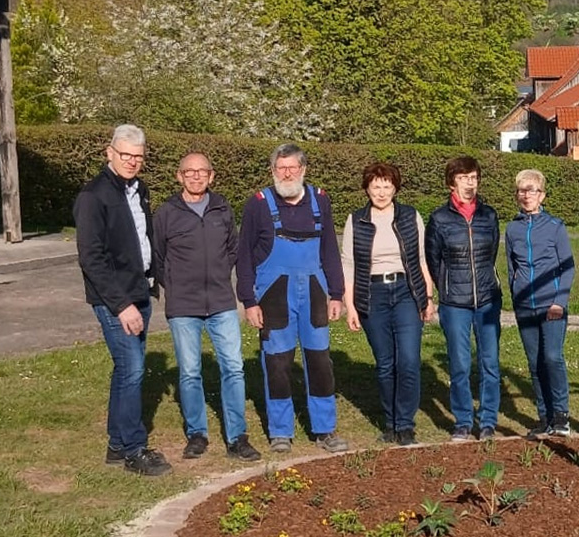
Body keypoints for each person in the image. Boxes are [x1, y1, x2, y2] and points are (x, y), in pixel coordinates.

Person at [237, 143, 349, 454]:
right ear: (273, 171)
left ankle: (324, 429)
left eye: (292, 168)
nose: (287, 173)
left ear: (303, 169)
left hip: (314, 291)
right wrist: (249, 300)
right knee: (277, 362)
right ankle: (281, 431)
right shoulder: (258, 204)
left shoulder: (320, 201)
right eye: (280, 168)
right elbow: (243, 256)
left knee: (320, 361)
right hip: (273, 293)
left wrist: (336, 294)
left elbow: (329, 249)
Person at [150, 152, 260, 462]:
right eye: (189, 172)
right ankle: (197, 434)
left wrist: (219, 276)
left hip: (222, 302)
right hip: (184, 306)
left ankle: (237, 437)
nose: (196, 177)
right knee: (189, 372)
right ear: (179, 176)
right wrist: (174, 285)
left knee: (234, 369)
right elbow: (158, 257)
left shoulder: (222, 208)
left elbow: (232, 248)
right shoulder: (166, 213)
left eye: (202, 172)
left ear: (211, 176)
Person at [74, 124, 170, 476]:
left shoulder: (138, 189)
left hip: (140, 290)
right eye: (125, 154)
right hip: (116, 299)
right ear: (109, 152)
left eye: (138, 156)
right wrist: (122, 305)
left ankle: (116, 444)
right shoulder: (93, 196)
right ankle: (134, 448)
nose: (131, 162)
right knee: (132, 371)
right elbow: (91, 258)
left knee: (126, 370)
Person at [341, 161, 435, 446]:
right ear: (367, 189)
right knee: (385, 363)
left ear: (395, 188)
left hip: (406, 291)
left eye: (386, 187)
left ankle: (405, 423)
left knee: (408, 360)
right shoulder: (356, 220)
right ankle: (390, 423)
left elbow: (421, 258)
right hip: (372, 294)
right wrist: (351, 307)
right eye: (375, 187)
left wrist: (428, 298)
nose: (381, 193)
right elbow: (348, 265)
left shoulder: (409, 216)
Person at [425, 155, 504, 441]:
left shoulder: (489, 215)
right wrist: (446, 287)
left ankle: (487, 422)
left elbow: (491, 252)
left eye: (473, 177)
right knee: (459, 364)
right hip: (454, 303)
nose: (469, 183)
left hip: (486, 299)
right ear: (451, 183)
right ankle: (462, 421)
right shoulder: (439, 218)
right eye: (463, 178)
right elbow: (433, 259)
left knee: (489, 363)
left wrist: (483, 282)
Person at [505, 169, 576, 437]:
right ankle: (544, 417)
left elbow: (567, 267)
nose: (526, 195)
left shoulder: (555, 227)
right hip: (525, 307)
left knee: (552, 358)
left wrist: (559, 301)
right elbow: (511, 266)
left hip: (552, 306)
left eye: (531, 190)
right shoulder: (512, 229)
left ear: (542, 194)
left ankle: (561, 416)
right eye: (522, 190)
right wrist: (515, 295)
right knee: (534, 363)